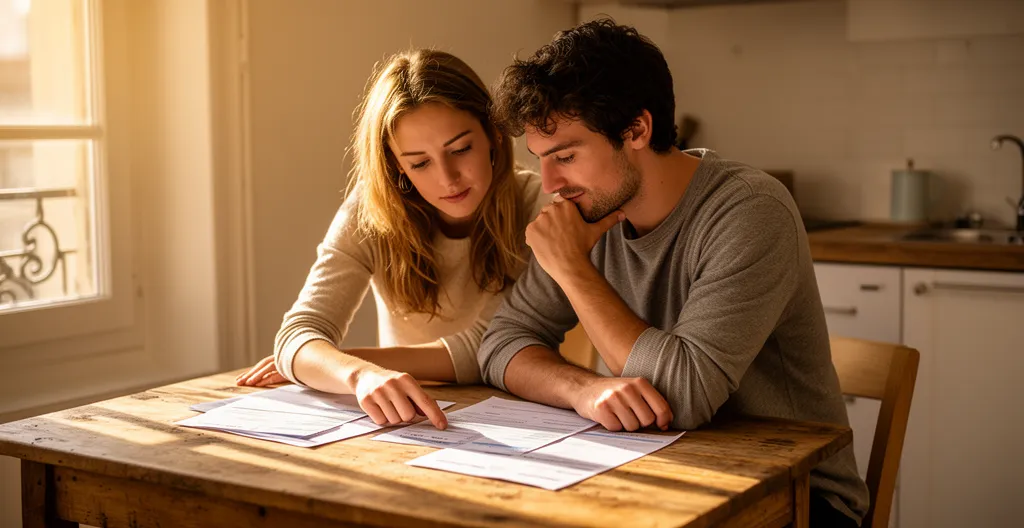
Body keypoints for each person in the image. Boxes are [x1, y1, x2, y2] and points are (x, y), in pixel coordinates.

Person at [477, 19, 869, 527]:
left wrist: (572, 270)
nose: (550, 183)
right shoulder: (589, 213)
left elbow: (684, 397)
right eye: (541, 160)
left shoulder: (750, 210)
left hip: (799, 497)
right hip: (666, 473)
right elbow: (503, 342)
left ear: (637, 129)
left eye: (566, 157)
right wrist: (584, 390)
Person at [237, 49, 548, 431]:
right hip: (414, 423)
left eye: (461, 149)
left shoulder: (539, 201)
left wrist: (335, 362)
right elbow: (298, 334)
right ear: (396, 166)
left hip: (534, 421)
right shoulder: (373, 210)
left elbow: (490, 346)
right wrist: (358, 376)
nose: (447, 178)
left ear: (494, 136)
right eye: (420, 163)